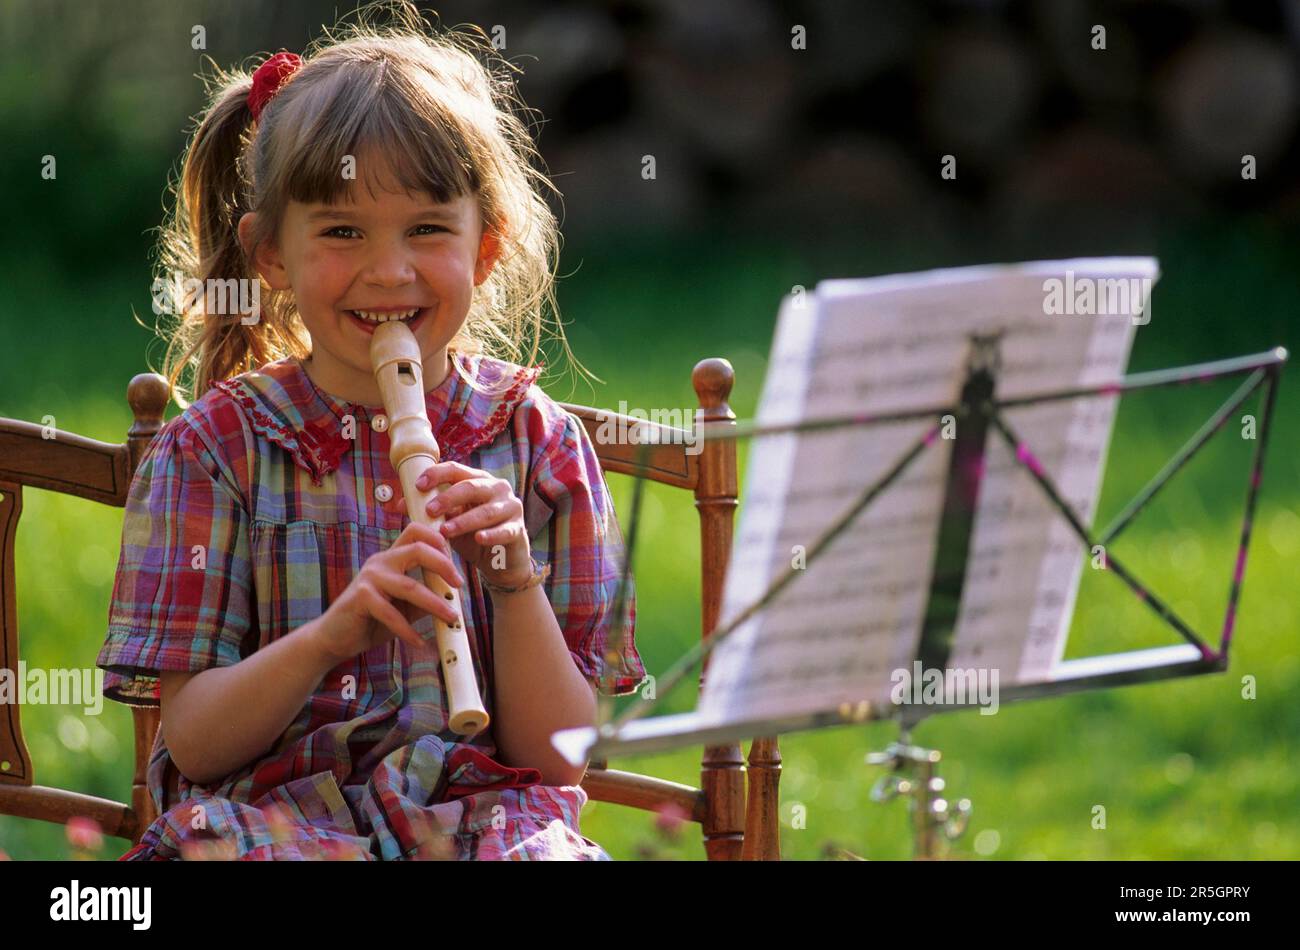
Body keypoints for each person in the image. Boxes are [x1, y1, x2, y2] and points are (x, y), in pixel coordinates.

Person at [95, 9, 645, 861]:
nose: (389, 272)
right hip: (274, 828)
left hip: (480, 828)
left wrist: (511, 579)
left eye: (427, 229)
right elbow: (197, 745)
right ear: (271, 254)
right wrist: (332, 636)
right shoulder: (214, 452)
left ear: (486, 248)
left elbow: (563, 761)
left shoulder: (540, 445)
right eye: (343, 231)